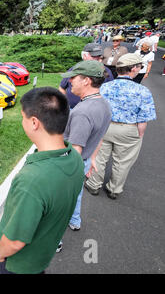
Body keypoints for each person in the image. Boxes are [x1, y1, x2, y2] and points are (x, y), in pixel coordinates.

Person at [0, 87, 84, 274]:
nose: (22, 121)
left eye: (23, 117)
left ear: (34, 122)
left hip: (17, 266)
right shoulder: (73, 157)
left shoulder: (32, 181)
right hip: (40, 259)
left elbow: (16, 241)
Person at [85, 54, 156, 200]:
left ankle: (94, 184)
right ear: (133, 69)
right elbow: (143, 119)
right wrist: (139, 135)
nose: (139, 69)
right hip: (128, 129)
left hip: (105, 126)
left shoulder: (105, 87)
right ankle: (114, 189)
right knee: (123, 161)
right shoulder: (142, 91)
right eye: (139, 67)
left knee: (99, 156)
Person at [60, 60, 112, 232]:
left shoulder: (82, 112)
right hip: (86, 161)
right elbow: (100, 136)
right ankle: (75, 221)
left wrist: (65, 175)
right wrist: (93, 158)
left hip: (72, 165)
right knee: (77, 195)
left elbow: (75, 150)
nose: (70, 82)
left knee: (61, 203)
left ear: (86, 81)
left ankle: (56, 240)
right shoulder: (103, 104)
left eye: (73, 78)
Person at [59, 43, 114, 109]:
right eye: (94, 56)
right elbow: (62, 87)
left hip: (93, 111)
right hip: (71, 109)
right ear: (84, 56)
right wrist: (64, 105)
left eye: (99, 55)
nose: (97, 58)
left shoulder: (106, 72)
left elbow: (110, 94)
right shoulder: (75, 69)